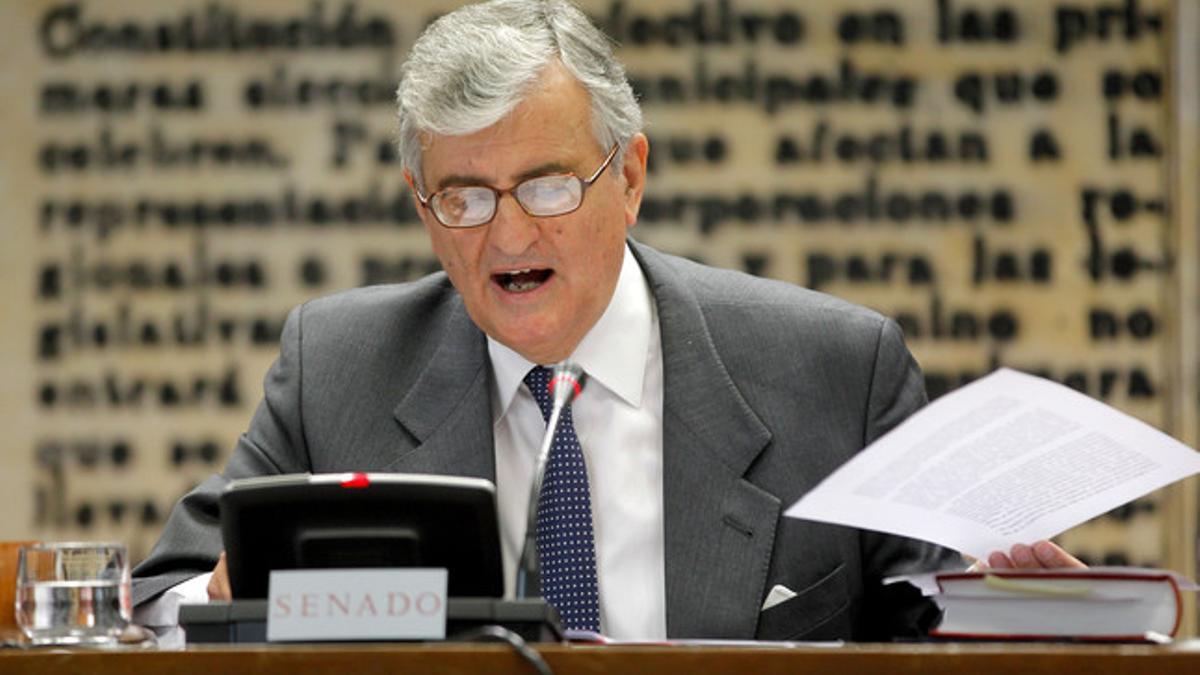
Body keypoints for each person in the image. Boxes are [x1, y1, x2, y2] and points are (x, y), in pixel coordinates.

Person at [133, 0, 1081, 641]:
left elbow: (939, 613)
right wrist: (222, 598)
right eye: (463, 197)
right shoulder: (341, 365)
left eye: (546, 186)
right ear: (423, 210)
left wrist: (1039, 612)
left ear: (628, 178)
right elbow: (151, 597)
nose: (507, 235)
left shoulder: (835, 369)